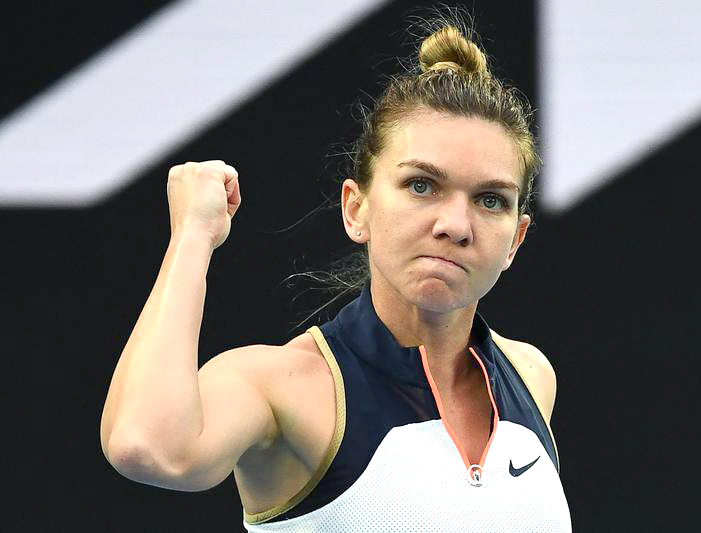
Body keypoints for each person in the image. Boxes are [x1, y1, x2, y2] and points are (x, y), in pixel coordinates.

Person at [100, 11, 572, 533]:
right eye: (421, 185)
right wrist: (192, 235)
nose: (456, 225)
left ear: (516, 240)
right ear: (356, 208)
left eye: (490, 200)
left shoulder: (531, 376)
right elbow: (146, 445)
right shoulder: (283, 387)